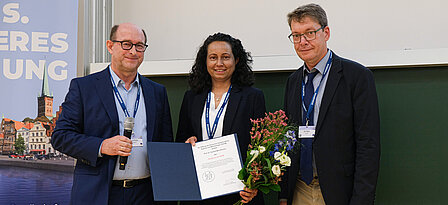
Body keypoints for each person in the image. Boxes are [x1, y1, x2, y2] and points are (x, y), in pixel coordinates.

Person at [51, 23, 174, 205]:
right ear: (110, 46)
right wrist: (101, 146)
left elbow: (165, 144)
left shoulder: (157, 92)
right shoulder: (84, 87)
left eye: (139, 46)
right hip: (99, 194)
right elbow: (60, 137)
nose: (133, 51)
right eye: (126, 44)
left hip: (146, 195)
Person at [280, 3, 381, 205]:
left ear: (326, 33)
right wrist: (284, 194)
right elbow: (287, 139)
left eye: (310, 33)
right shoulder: (293, 82)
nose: (303, 41)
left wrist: (361, 200)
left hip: (339, 191)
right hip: (299, 189)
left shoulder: (357, 76)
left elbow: (368, 145)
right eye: (296, 35)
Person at [176, 33, 265, 205]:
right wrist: (187, 143)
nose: (219, 63)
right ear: (205, 61)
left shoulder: (252, 97)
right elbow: (181, 140)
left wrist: (253, 185)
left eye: (226, 57)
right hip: (199, 192)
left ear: (236, 60)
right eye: (213, 57)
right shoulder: (191, 98)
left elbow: (260, 147)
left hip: (239, 193)